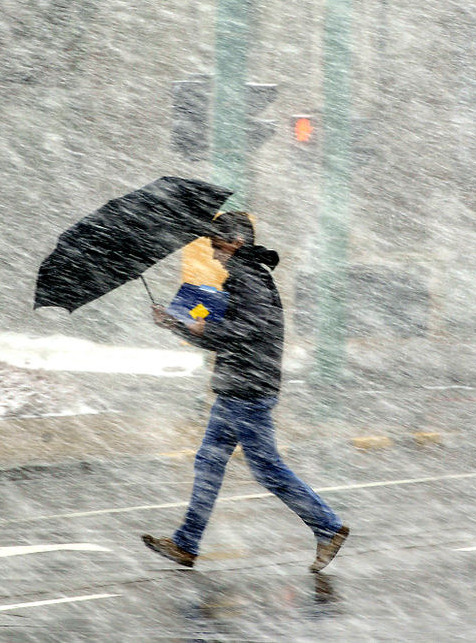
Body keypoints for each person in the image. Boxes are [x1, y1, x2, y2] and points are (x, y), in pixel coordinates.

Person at [141, 212, 349, 572]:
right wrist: (176, 323)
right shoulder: (241, 278)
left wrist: (205, 329)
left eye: (217, 244)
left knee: (266, 469)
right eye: (209, 245)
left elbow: (248, 329)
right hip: (236, 387)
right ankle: (186, 544)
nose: (213, 252)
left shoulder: (250, 278)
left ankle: (328, 527)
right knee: (209, 463)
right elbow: (222, 333)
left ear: (236, 242)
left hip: (248, 390)